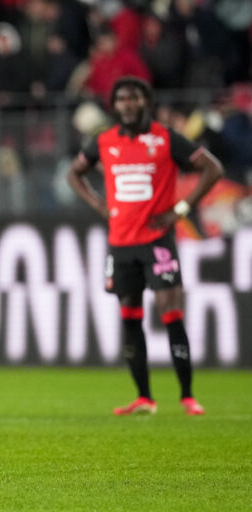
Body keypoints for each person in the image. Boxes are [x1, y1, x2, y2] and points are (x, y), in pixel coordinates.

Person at [67, 77, 223, 416]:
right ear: (114, 105)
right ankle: (144, 398)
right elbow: (74, 173)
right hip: (121, 243)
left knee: (171, 312)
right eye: (121, 98)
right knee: (129, 316)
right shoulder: (104, 141)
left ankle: (187, 396)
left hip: (157, 241)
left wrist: (181, 209)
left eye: (134, 97)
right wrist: (98, 205)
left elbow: (212, 168)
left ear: (146, 102)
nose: (127, 103)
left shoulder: (166, 138)